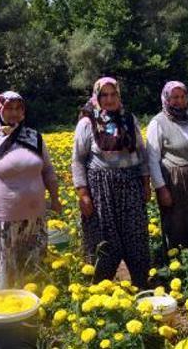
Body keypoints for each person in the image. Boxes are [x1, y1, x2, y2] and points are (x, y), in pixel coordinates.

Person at [0, 91, 61, 291]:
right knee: (4, 271)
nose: (13, 113)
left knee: (31, 267)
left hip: (33, 220)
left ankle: (30, 310)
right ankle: (3, 313)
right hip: (1, 220)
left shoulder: (34, 137)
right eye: (8, 108)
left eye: (18, 108)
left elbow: (48, 170)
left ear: (23, 112)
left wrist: (55, 198)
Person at [72, 77, 151, 287]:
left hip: (131, 184)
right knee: (105, 240)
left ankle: (141, 284)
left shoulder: (128, 119)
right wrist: (83, 194)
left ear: (119, 95)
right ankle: (100, 289)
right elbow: (78, 159)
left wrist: (145, 182)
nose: (109, 99)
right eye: (104, 95)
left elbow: (141, 152)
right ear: (97, 97)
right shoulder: (88, 123)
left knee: (136, 236)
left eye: (113, 94)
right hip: (101, 189)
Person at [146, 81, 188, 251]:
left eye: (183, 97)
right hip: (173, 179)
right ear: (166, 99)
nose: (180, 101)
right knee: (177, 223)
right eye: (175, 97)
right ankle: (178, 262)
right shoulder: (158, 123)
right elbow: (152, 159)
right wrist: (161, 189)